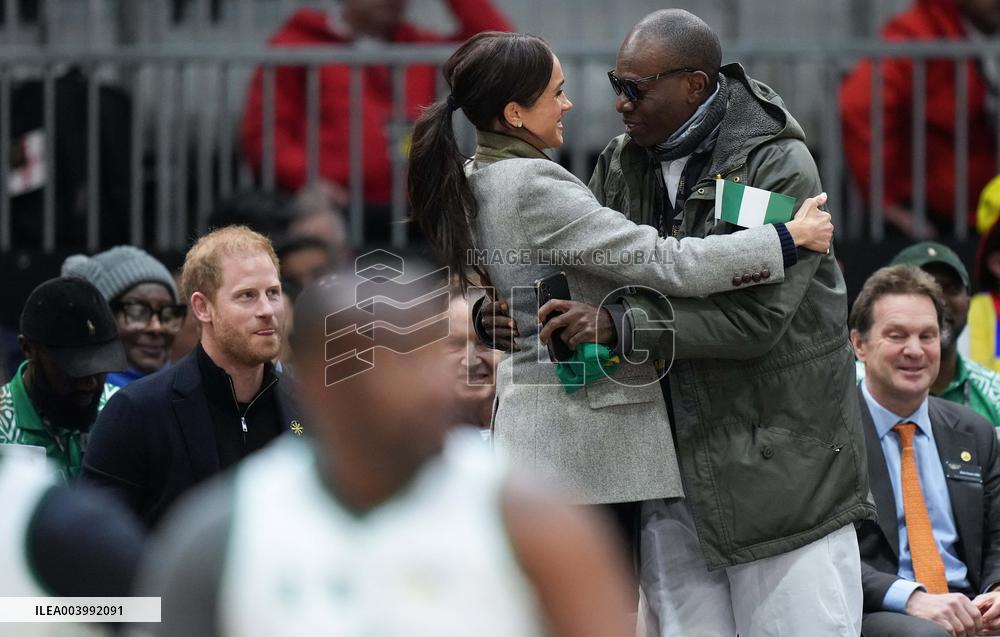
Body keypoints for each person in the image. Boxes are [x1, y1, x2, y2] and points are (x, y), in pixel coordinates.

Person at [473, 11, 872, 635]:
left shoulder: (778, 164)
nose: (619, 103)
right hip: (669, 477)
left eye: (636, 88)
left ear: (693, 84)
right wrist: (499, 309)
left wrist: (621, 326)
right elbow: (574, 269)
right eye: (615, 84)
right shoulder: (619, 162)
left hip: (781, 482)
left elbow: (759, 321)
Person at [407, 28, 834, 565]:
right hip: (584, 449)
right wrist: (785, 240)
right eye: (555, 92)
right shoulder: (535, 184)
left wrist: (485, 311)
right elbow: (665, 262)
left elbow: (481, 280)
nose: (571, 103)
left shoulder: (474, 175)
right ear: (515, 113)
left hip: (539, 436)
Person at [133, 270, 636, 637]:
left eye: (427, 354)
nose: (432, 384)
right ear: (314, 384)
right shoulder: (228, 532)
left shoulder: (531, 517)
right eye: (395, 362)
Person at [81, 226, 303, 528]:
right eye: (247, 296)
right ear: (202, 307)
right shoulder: (137, 411)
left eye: (273, 293)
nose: (267, 310)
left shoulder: (308, 405)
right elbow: (100, 541)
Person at [239, 0, 512, 221]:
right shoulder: (296, 46)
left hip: (415, 211)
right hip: (330, 210)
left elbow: (502, 50)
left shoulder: (418, 47)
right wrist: (306, 179)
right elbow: (264, 132)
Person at [849, 265, 1000, 637]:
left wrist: (997, 591)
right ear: (859, 344)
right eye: (897, 335)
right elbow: (823, 556)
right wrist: (911, 598)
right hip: (882, 610)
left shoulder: (975, 432)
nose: (915, 350)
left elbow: (997, 538)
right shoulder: (830, 434)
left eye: (927, 336)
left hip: (971, 607)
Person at [839, 0, 1000, 237]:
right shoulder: (921, 30)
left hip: (976, 212)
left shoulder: (970, 28)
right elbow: (859, 104)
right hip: (936, 218)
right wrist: (887, 203)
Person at [0, 277, 126, 480]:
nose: (90, 383)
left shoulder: (118, 411)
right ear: (28, 349)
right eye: (75, 368)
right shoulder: (3, 426)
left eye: (99, 365)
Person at [890, 242, 1000, 425]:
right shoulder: (854, 387)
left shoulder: (995, 393)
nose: (939, 302)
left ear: (968, 303)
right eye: (923, 288)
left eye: (950, 288)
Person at [61, 245, 186, 389]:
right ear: (100, 317)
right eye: (137, 312)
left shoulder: (190, 392)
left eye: (167, 313)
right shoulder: (78, 399)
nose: (157, 327)